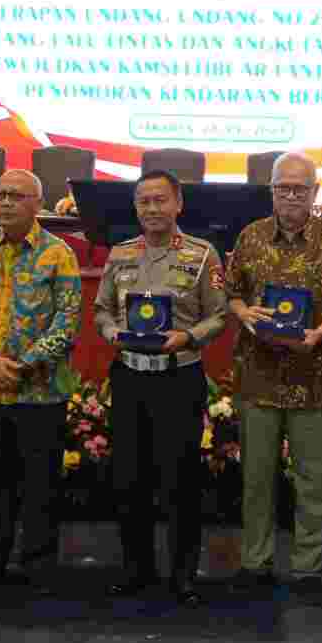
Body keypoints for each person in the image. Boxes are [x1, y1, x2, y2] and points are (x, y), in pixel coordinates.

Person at [226, 153, 322, 603]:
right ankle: (256, 563)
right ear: (271, 190)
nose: (291, 195)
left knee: (313, 477)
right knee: (257, 477)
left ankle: (308, 568)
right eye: (282, 187)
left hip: (314, 375)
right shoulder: (250, 236)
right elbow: (231, 293)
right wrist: (244, 313)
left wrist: (320, 333)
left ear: (315, 192)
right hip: (259, 375)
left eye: (299, 188)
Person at [93, 170, 228, 606]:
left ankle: (183, 575)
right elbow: (101, 310)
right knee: (128, 478)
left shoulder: (202, 255)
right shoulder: (120, 254)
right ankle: (136, 569)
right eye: (144, 201)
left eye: (160, 200)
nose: (152, 209)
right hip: (130, 376)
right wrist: (111, 332)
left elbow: (219, 315)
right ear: (136, 207)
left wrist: (188, 336)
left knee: (180, 480)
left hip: (178, 376)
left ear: (178, 203)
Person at [0, 169, 82, 596]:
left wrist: (24, 365)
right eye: (0, 194)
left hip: (41, 390)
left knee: (40, 484)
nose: (5, 203)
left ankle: (38, 566)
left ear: (38, 204)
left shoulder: (59, 253)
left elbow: (68, 319)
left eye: (16, 196)